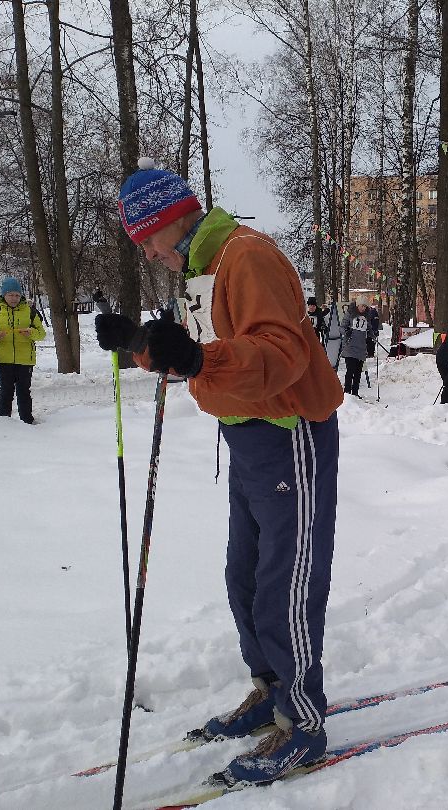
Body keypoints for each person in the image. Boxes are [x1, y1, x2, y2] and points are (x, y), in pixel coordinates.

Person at [94, 158, 343, 786]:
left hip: (290, 434)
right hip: (245, 436)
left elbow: (279, 355)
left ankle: (303, 722)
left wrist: (197, 356)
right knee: (244, 576)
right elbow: (205, 354)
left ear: (173, 221)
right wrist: (140, 345)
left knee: (285, 585)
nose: (149, 254)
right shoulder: (205, 267)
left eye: (147, 239)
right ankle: (267, 689)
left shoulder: (246, 256)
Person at [0, 276, 46, 423]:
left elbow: (42, 334)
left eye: (17, 295)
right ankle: (3, 421)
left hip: (25, 360)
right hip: (3, 359)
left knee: (23, 392)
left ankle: (27, 420)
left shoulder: (30, 312)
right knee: (6, 391)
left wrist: (31, 333)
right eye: (10, 295)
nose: (14, 298)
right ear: (4, 295)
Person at [339, 294, 377, 397]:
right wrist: (347, 332)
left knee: (358, 373)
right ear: (357, 305)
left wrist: (373, 335)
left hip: (361, 348)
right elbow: (342, 327)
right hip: (350, 346)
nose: (363, 308)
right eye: (362, 306)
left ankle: (355, 394)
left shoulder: (366, 316)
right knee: (350, 371)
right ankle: (347, 394)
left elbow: (368, 329)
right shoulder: (350, 313)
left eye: (365, 306)